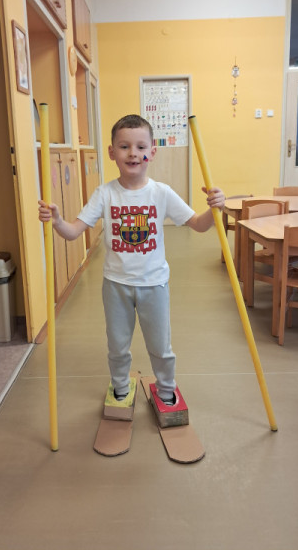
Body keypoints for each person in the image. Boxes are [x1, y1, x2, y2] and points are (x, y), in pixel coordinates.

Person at [38, 114, 225, 406]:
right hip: (116, 285)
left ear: (152, 151)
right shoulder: (105, 194)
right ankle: (121, 387)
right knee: (117, 346)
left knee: (160, 346)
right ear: (112, 152)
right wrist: (57, 221)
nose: (133, 153)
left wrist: (216, 210)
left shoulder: (161, 193)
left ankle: (166, 389)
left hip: (154, 285)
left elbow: (199, 225)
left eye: (140, 147)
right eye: (124, 147)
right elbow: (73, 232)